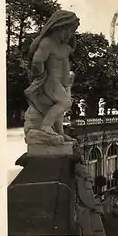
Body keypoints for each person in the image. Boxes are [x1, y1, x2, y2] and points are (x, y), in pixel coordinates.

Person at [24, 10, 80, 143]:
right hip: (50, 81)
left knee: (60, 107)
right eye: (69, 30)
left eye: (73, 31)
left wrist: (72, 37)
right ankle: (46, 126)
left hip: (60, 83)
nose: (71, 34)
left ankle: (59, 131)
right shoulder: (47, 43)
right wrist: (40, 76)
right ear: (59, 27)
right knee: (65, 103)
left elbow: (72, 49)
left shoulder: (64, 46)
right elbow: (37, 60)